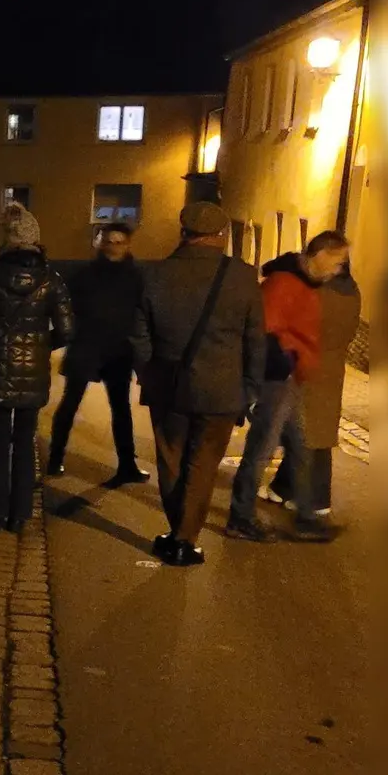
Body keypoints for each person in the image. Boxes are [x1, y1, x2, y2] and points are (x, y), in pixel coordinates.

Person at [131, 202, 265, 567]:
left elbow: (139, 336)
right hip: (221, 389)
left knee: (171, 459)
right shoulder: (242, 276)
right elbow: (255, 337)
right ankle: (185, 539)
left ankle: (177, 533)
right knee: (203, 464)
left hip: (168, 386)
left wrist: (147, 372)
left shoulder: (155, 275)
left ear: (183, 232)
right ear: (221, 236)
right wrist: (250, 387)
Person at [225, 231, 350, 543]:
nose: (338, 270)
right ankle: (240, 517)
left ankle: (306, 517)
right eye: (336, 262)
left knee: (300, 446)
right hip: (276, 380)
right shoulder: (284, 284)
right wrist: (283, 361)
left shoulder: (303, 283)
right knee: (262, 450)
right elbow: (261, 331)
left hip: (291, 378)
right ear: (318, 254)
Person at [0, 203, 75, 534]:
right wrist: (41, 346)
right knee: (25, 441)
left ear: (9, 240)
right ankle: (20, 515)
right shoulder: (52, 280)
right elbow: (68, 330)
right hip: (34, 376)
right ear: (36, 241)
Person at [47, 222, 150, 487]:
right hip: (87, 346)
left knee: (121, 409)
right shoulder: (85, 275)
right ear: (100, 243)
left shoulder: (137, 277)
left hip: (118, 351)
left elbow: (142, 313)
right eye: (109, 241)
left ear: (128, 244)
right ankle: (55, 458)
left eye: (119, 242)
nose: (114, 247)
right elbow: (67, 308)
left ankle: (127, 464)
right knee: (70, 404)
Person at [262, 265, 362, 517]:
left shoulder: (320, 294)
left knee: (304, 431)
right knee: (316, 432)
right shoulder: (352, 292)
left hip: (308, 366)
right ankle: (284, 488)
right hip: (331, 369)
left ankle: (316, 497)